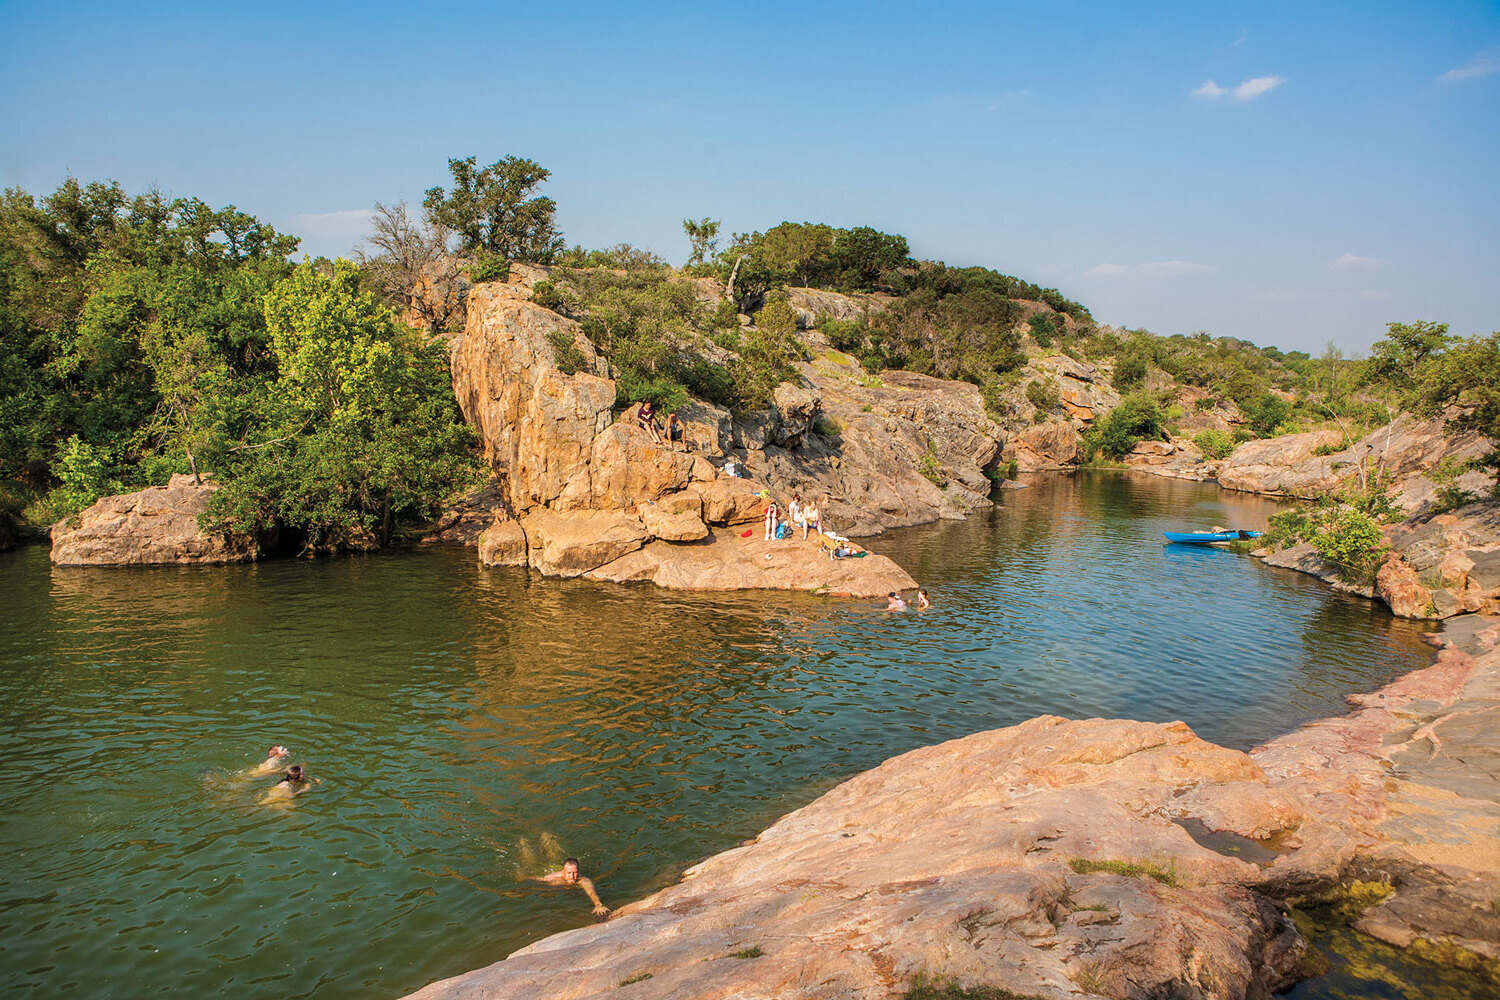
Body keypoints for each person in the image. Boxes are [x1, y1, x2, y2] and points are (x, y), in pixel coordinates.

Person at [531, 857, 610, 917]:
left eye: (575, 873)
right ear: (563, 871)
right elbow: (537, 879)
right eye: (569, 873)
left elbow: (591, 892)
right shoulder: (552, 878)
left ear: (578, 872)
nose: (572, 877)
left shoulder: (583, 880)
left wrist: (598, 905)